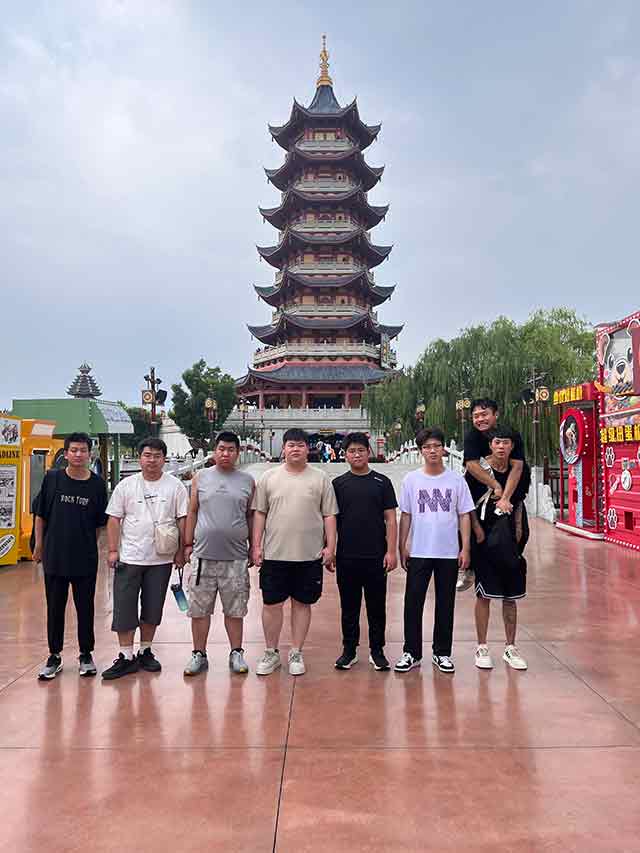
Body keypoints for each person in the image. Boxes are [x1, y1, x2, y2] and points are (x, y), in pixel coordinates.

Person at [251, 428, 338, 676]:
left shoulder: (320, 478)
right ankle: (271, 652)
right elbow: (260, 513)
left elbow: (329, 515)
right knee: (271, 604)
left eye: (300, 445)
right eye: (291, 445)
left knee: (302, 603)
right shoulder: (269, 477)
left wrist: (331, 547)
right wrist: (256, 546)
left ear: (307, 448)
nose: (296, 449)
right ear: (284, 449)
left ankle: (296, 651)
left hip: (309, 555)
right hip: (275, 554)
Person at [102, 437, 188, 680]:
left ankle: (145, 651)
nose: (152, 460)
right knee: (124, 607)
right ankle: (126, 656)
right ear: (140, 458)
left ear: (164, 459)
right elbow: (114, 519)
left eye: (157, 456)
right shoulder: (126, 486)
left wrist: (181, 550)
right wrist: (112, 550)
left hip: (161, 559)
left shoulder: (175, 486)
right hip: (129, 557)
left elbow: (182, 519)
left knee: (153, 607)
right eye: (147, 455)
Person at [395, 427, 474, 674]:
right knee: (413, 602)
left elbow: (464, 515)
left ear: (444, 449)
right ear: (420, 451)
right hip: (419, 550)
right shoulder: (411, 480)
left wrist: (465, 548)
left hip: (448, 552)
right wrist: (402, 545)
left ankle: (442, 653)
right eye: (427, 447)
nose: (432, 451)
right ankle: (411, 652)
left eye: (436, 446)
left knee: (445, 603)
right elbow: (406, 515)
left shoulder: (456, 480)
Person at [34, 433, 108, 680]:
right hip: (55, 556)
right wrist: (39, 546)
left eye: (83, 450)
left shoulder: (97, 485)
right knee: (55, 607)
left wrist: (89, 546)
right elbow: (40, 514)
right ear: (65, 454)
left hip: (85, 558)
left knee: (85, 608)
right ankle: (54, 656)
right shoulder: (52, 479)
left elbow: (99, 524)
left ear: (90, 454)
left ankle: (86, 654)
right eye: (73, 450)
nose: (78, 454)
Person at [182, 432, 254, 676]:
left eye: (231, 449)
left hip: (236, 557)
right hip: (203, 556)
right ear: (215, 450)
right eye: (221, 449)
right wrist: (187, 544)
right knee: (199, 610)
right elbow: (192, 511)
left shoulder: (247, 481)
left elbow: (250, 515)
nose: (225, 453)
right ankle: (198, 654)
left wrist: (254, 546)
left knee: (235, 609)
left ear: (237, 452)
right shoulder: (200, 477)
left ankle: (236, 652)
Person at [332, 433, 398, 671]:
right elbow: (331, 520)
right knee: (349, 606)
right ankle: (349, 650)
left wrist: (391, 551)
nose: (357, 454)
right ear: (345, 455)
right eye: (352, 451)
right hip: (347, 556)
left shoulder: (382, 482)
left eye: (361, 450)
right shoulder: (338, 484)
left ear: (368, 452)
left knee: (376, 606)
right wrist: (330, 549)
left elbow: (391, 519)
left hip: (376, 556)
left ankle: (377, 650)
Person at [466, 426, 530, 670]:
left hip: (511, 538)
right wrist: (477, 530)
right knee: (484, 595)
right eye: (497, 442)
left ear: (512, 446)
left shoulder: (519, 470)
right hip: (485, 539)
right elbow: (467, 505)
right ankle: (482, 646)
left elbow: (520, 500)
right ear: (490, 445)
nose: (501, 446)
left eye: (506, 442)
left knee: (510, 596)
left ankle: (510, 647)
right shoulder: (477, 471)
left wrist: (518, 531)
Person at [457, 398, 526, 592]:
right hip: (480, 489)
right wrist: (494, 485)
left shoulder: (511, 434)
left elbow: (518, 466)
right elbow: (471, 465)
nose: (480, 419)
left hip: (510, 487)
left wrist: (505, 497)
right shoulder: (472, 436)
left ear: (496, 415)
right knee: (467, 526)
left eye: (484, 414)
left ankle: (513, 560)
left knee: (519, 530)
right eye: (476, 416)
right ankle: (468, 567)